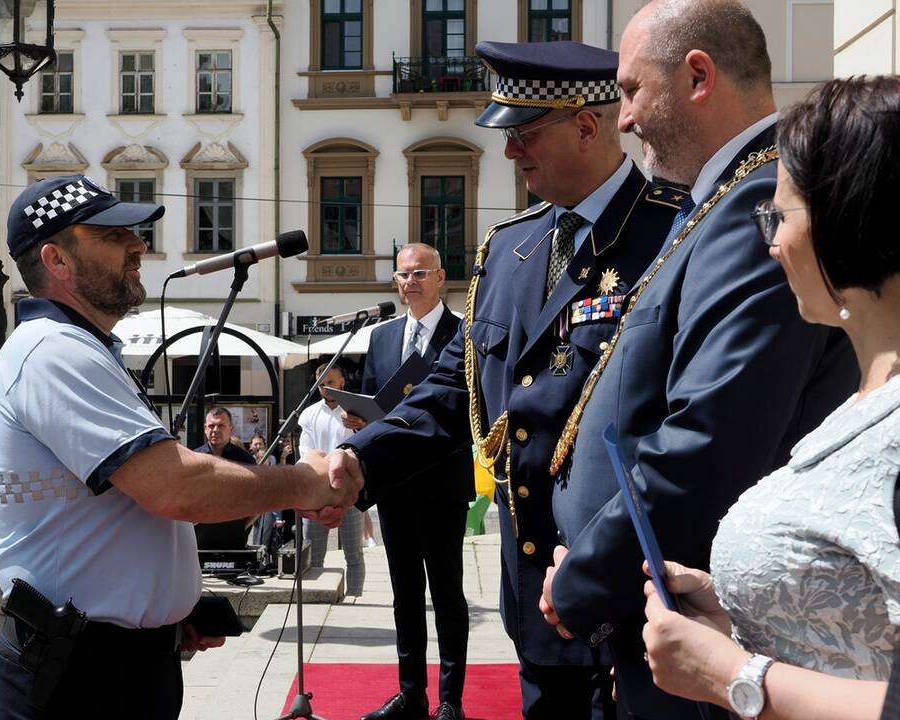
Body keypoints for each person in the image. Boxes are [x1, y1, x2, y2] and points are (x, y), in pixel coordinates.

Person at [329, 40, 685, 719]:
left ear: (587, 125)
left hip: (630, 606)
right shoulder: (509, 250)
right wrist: (356, 461)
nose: (509, 152)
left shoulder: (675, 232)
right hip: (533, 604)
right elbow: (452, 389)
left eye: (524, 134)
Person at [536, 2, 859, 718]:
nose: (623, 119)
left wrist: (589, 578)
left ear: (698, 76)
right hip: (665, 609)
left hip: (709, 628)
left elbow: (709, 441)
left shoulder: (756, 206)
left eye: (629, 91)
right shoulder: (720, 200)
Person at [0, 174, 359, 720]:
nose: (137, 245)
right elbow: (174, 487)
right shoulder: (54, 352)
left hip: (112, 660)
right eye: (112, 237)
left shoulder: (78, 348)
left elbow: (115, 512)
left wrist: (164, 612)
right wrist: (302, 482)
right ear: (56, 261)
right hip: (79, 675)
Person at [637, 75, 900, 720]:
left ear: (848, 216)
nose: (771, 242)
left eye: (779, 215)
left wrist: (733, 674)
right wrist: (746, 612)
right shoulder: (867, 393)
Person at [344, 243, 473, 720]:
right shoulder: (381, 338)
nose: (410, 282)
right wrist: (362, 423)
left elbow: (462, 410)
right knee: (404, 594)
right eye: (402, 275)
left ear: (441, 278)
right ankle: (411, 693)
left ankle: (450, 701)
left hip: (442, 483)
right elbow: (379, 403)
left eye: (420, 273)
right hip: (393, 485)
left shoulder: (464, 332)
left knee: (446, 591)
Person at [299, 363, 365, 596]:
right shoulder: (309, 414)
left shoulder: (355, 411)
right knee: (313, 554)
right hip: (318, 490)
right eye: (321, 383)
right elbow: (305, 452)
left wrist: (359, 426)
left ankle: (355, 598)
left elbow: (366, 444)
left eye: (331, 382)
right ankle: (315, 596)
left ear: (342, 383)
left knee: (354, 553)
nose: (326, 388)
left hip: (350, 490)